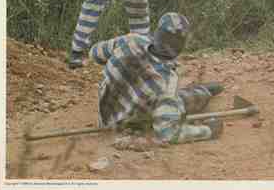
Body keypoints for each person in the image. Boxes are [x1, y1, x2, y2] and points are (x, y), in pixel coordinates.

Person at [89, 12, 225, 143]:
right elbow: (168, 133)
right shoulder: (167, 81)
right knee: (177, 101)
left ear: (157, 33)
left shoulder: (131, 40)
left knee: (167, 97)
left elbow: (94, 54)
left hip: (105, 118)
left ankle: (202, 92)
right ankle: (203, 92)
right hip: (126, 126)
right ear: (181, 46)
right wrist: (208, 131)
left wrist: (120, 66)